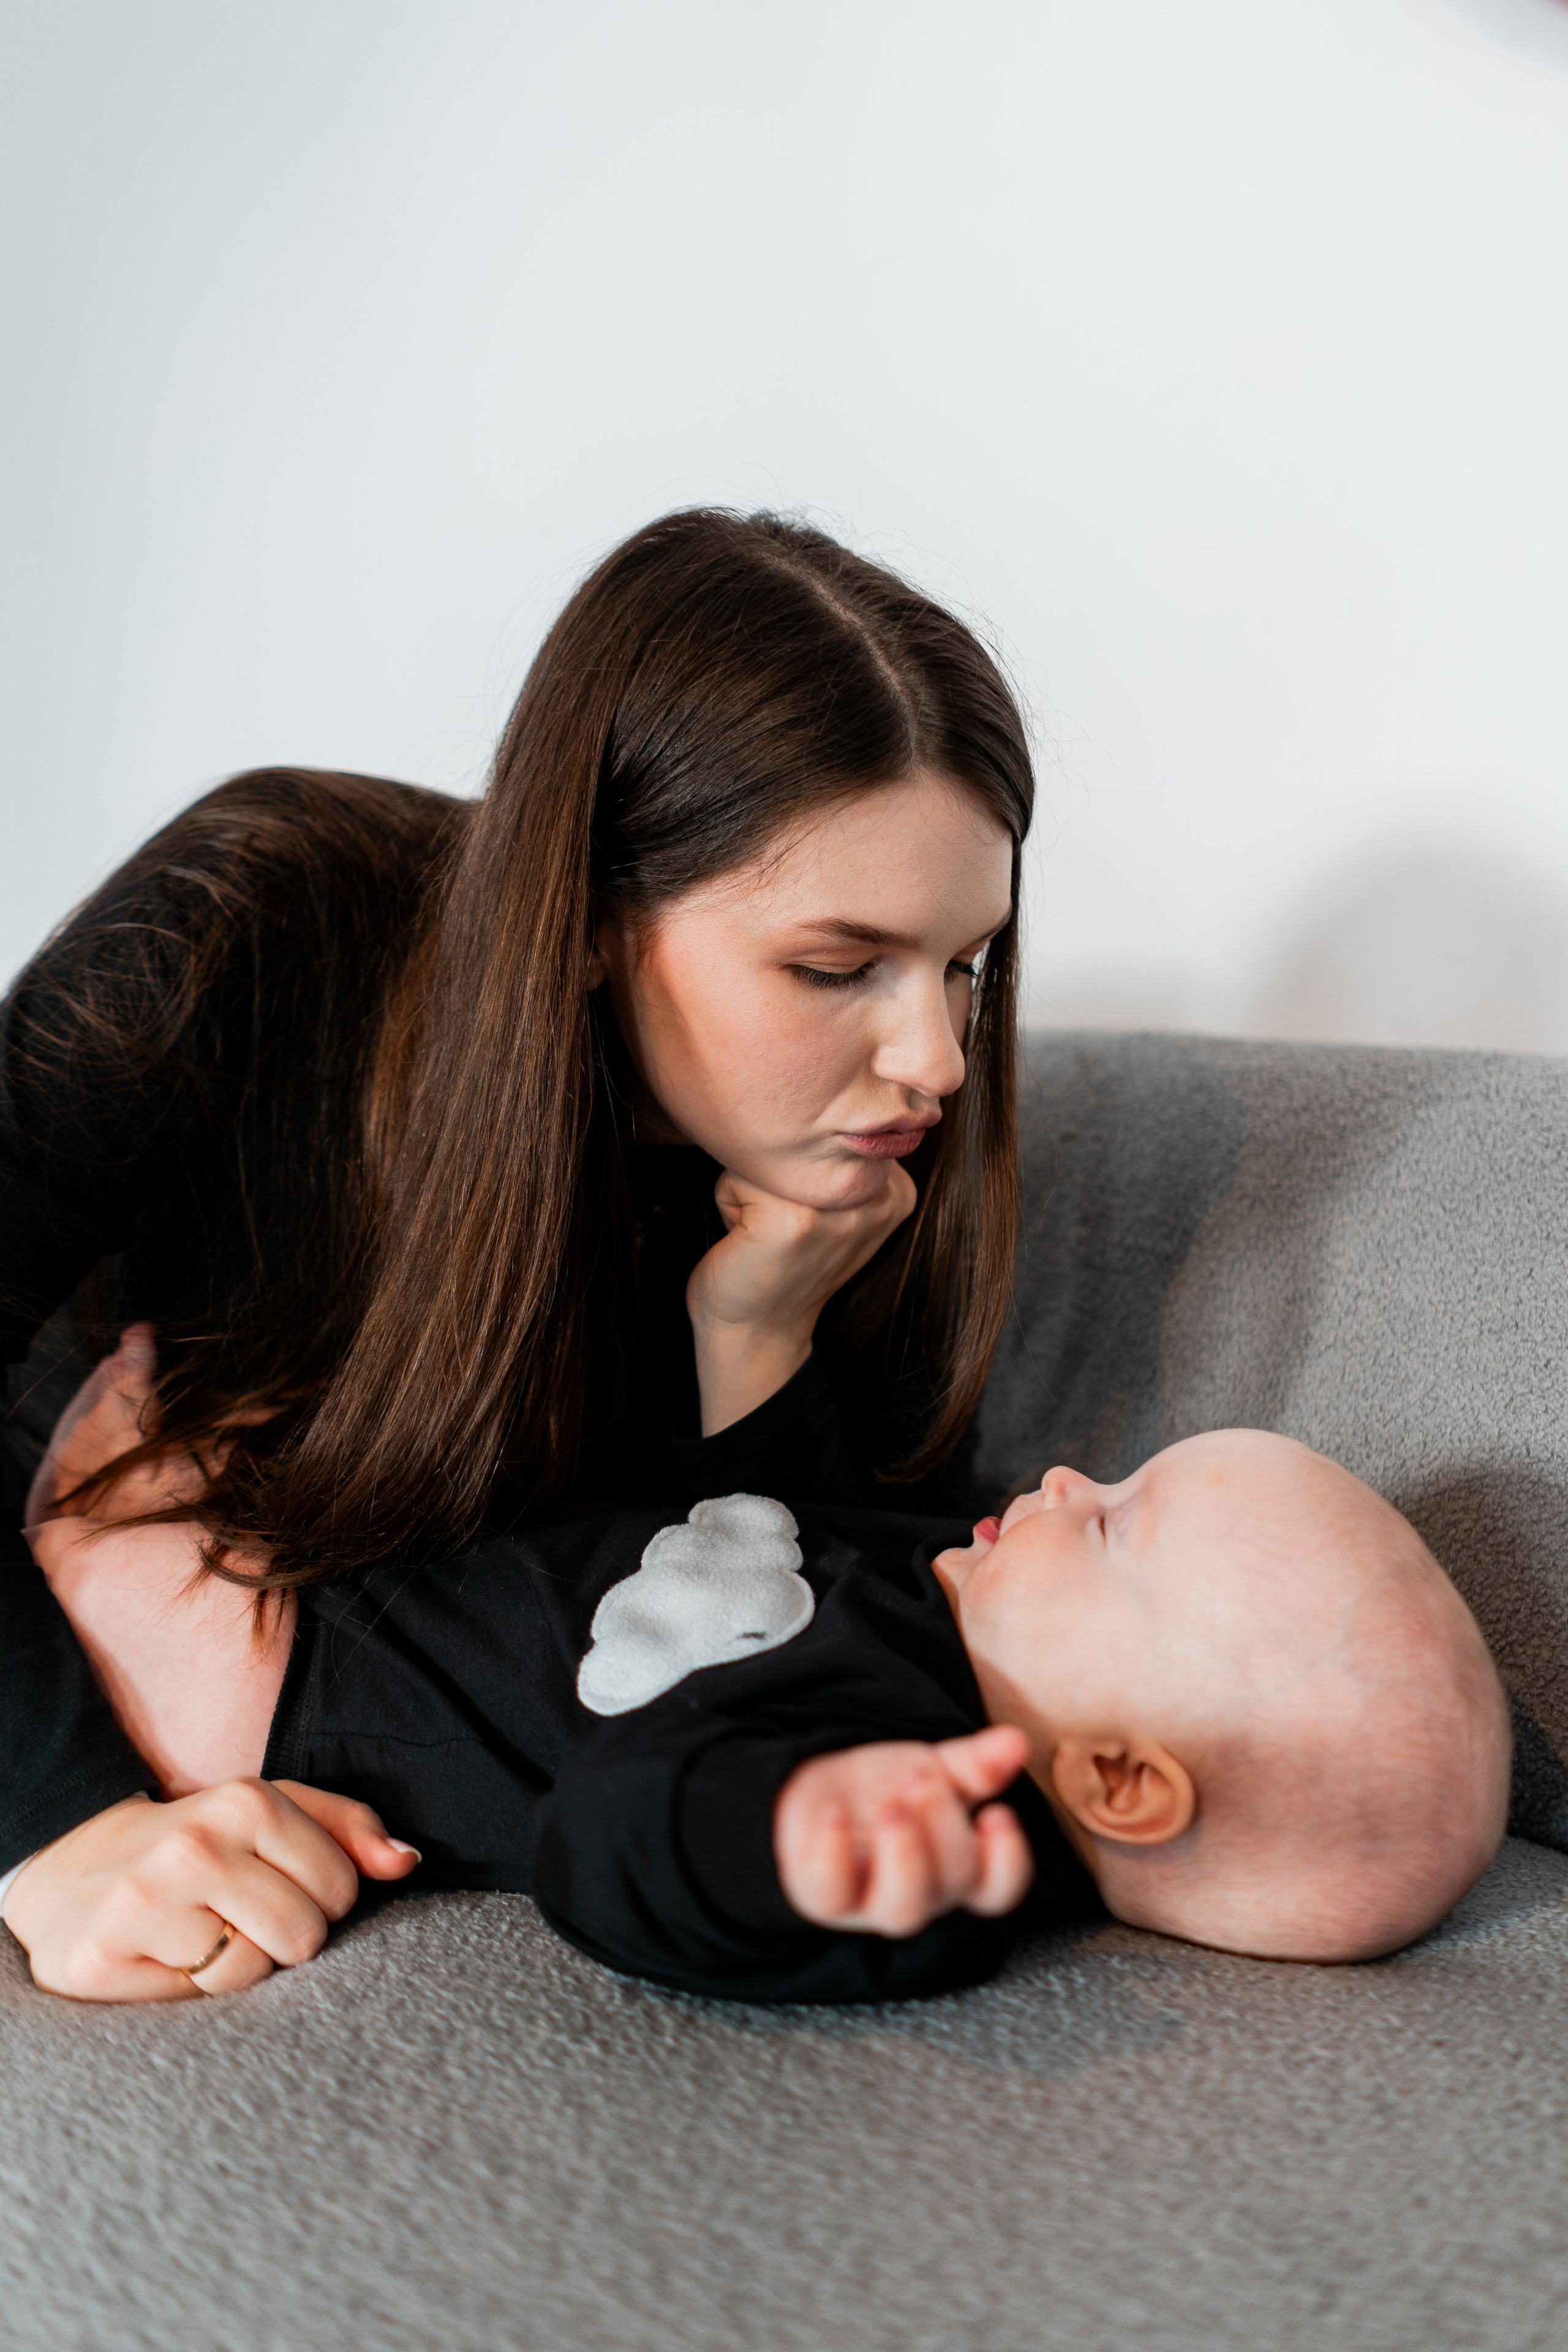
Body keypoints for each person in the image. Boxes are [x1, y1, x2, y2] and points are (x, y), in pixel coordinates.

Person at [0, 510, 1033, 1992]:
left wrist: (757, 1351)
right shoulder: (261, 919)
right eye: (833, 967)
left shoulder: (867, 1171)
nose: (933, 1059)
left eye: (964, 966)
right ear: (591, 918)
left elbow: (805, 1664)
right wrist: (59, 1828)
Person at [6, 1357, 1510, 2003]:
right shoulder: (973, 1601)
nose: (1065, 1477)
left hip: (270, 1687)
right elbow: (751, 1533)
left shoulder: (905, 1826)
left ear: (1116, 1777)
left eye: (1112, 1521)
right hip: (344, 1561)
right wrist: (757, 1348)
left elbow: (612, 1843)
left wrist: (787, 1844)